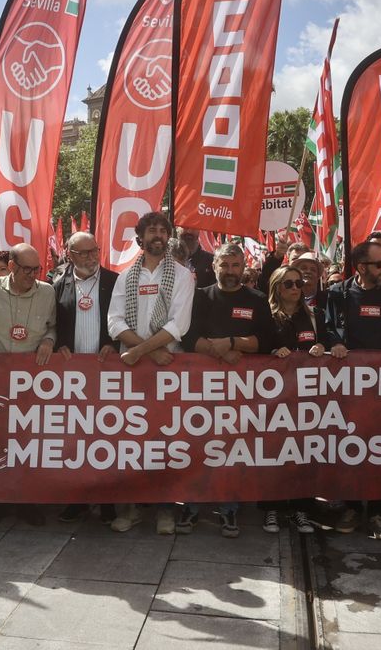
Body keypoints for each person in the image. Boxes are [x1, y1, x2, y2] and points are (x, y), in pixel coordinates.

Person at [108, 212, 196, 534]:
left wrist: (142, 351)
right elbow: (115, 323)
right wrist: (148, 350)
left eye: (163, 230)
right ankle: (128, 508)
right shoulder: (125, 277)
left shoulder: (184, 276)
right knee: (128, 439)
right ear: (140, 238)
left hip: (167, 367)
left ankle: (165, 510)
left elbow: (179, 325)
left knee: (166, 439)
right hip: (134, 369)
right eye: (151, 231)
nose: (157, 235)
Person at [325, 240, 381, 539]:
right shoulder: (338, 293)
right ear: (361, 267)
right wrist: (334, 343)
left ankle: (376, 512)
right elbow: (327, 327)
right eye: (379, 264)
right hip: (348, 386)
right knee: (350, 443)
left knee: (380, 446)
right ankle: (351, 505)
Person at [187, 243, 270, 538]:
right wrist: (219, 351)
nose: (231, 272)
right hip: (200, 391)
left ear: (244, 266)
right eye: (225, 266)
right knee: (198, 446)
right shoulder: (199, 297)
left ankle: (229, 508)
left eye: (236, 266)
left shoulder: (258, 300)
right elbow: (188, 337)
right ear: (215, 266)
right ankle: (193, 505)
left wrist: (234, 343)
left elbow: (266, 340)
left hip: (241, 392)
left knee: (232, 448)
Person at [51, 232, 117, 525]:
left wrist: (115, 345)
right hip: (73, 376)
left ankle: (108, 502)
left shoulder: (116, 282)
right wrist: (57, 345)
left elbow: (125, 320)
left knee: (109, 438)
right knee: (75, 440)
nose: (92, 257)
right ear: (70, 255)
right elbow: (52, 324)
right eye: (84, 252)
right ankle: (77, 499)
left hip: (108, 373)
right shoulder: (57, 286)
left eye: (95, 250)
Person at [264, 265, 333, 535]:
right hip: (275, 398)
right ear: (276, 288)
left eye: (298, 284)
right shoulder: (267, 316)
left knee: (303, 450)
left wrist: (322, 348)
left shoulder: (315, 315)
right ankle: (272, 507)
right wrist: (271, 351)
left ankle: (301, 508)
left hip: (307, 397)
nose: (295, 289)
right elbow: (257, 349)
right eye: (288, 284)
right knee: (273, 450)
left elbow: (329, 343)